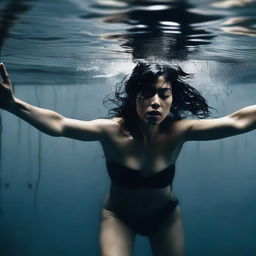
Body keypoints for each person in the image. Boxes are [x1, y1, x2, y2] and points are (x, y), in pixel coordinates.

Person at [0, 62, 255, 256]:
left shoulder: (179, 132)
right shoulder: (111, 131)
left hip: (164, 217)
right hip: (118, 216)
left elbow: (237, 121)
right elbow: (60, 125)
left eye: (163, 94)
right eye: (146, 94)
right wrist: (12, 105)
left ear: (172, 98)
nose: (155, 102)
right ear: (134, 97)